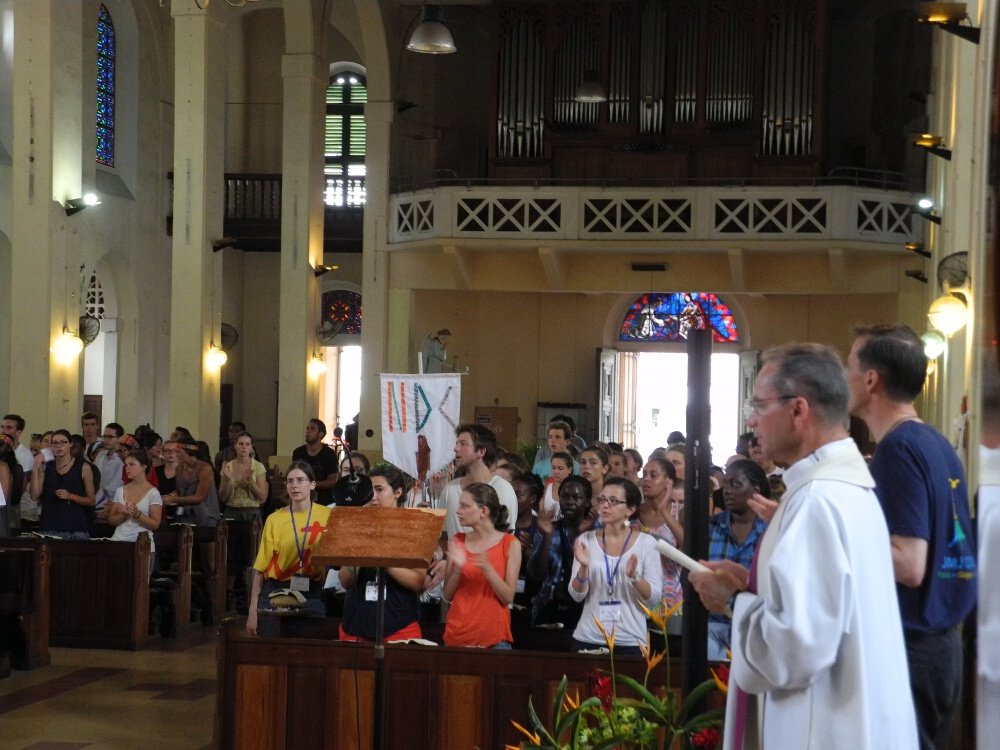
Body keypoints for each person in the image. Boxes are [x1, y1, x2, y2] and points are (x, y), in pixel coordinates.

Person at [689, 342, 916, 749]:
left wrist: (732, 602)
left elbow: (795, 648)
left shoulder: (818, 501)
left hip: (824, 725)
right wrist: (755, 584)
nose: (752, 420)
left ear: (798, 409)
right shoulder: (846, 488)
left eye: (759, 405)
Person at [847, 324, 976, 750]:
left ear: (871, 380)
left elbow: (909, 563)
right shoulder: (936, 444)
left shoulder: (898, 449)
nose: (844, 378)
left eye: (850, 366)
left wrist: (837, 527)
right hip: (941, 647)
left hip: (913, 649)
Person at [339, 464, 433, 642]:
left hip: (398, 625)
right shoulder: (357, 525)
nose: (372, 497)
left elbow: (418, 582)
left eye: (379, 489)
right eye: (369, 490)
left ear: (397, 492)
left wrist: (382, 558)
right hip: (356, 624)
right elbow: (345, 580)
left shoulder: (414, 528)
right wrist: (360, 556)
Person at [568, 477, 662, 655]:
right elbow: (576, 595)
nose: (605, 505)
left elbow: (654, 599)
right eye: (602, 500)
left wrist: (634, 577)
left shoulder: (647, 543)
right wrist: (584, 568)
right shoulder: (585, 540)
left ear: (630, 509)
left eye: (613, 501)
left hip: (631, 640)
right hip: (588, 637)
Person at [247, 461, 331, 638]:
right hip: (277, 590)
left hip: (312, 590)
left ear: (313, 484)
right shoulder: (275, 519)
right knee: (273, 651)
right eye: (290, 481)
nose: (295, 485)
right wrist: (253, 610)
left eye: (301, 480)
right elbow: (260, 569)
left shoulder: (327, 516)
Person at [442, 482, 520, 648]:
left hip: (493, 638)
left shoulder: (510, 543)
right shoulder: (457, 540)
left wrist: (488, 568)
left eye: (465, 506)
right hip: (457, 635)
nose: (458, 511)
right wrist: (457, 567)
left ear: (483, 511)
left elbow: (508, 597)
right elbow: (447, 595)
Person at [705, 459, 768, 661]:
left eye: (735, 484)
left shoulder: (770, 531)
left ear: (755, 489)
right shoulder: (711, 527)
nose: (727, 491)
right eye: (726, 484)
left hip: (755, 626)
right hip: (711, 626)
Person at [527, 475, 596, 628]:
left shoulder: (597, 534)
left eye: (576, 497)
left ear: (587, 502)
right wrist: (547, 536)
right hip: (549, 606)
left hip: (586, 608)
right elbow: (535, 575)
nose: (569, 501)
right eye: (564, 496)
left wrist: (581, 534)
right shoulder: (549, 528)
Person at [442, 423, 517, 538]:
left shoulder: (502, 489)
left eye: (463, 444)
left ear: (481, 451)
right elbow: (444, 536)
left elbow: (505, 539)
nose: (456, 449)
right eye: (457, 444)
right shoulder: (450, 489)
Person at [29, 428, 97, 539]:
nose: (59, 446)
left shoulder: (83, 467)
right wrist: (35, 468)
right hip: (49, 526)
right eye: (55, 443)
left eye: (63, 442)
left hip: (75, 528)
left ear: (70, 444)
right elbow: (34, 495)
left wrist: (70, 496)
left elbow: (91, 500)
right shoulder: (47, 467)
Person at [637, 457, 683, 607]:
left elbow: (687, 548)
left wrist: (664, 512)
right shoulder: (633, 512)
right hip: (637, 590)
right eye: (644, 474)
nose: (646, 479)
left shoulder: (680, 512)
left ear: (668, 482)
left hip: (669, 594)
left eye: (653, 475)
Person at [106, 448, 162, 568]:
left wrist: (138, 515)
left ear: (143, 467)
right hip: (119, 542)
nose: (127, 468)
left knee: (139, 584)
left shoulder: (153, 493)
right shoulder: (121, 490)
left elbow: (155, 524)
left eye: (132, 464)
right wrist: (124, 514)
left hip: (142, 545)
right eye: (126, 465)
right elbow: (111, 520)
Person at [163, 436, 220, 527]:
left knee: (205, 540)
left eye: (178, 452)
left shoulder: (205, 468)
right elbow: (181, 492)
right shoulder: (179, 468)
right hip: (185, 515)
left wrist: (174, 499)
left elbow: (199, 497)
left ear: (188, 452)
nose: (176, 455)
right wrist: (172, 495)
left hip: (205, 515)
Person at [291, 419, 339, 505]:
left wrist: (312, 484)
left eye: (312, 429)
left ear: (321, 434)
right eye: (307, 428)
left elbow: (332, 481)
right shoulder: (298, 453)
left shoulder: (329, 454)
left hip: (324, 500)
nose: (308, 431)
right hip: (302, 499)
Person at [2, 414, 35, 530]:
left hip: (13, 507)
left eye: (9, 428)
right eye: (2, 427)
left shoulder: (24, 455)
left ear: (18, 432)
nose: (4, 431)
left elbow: (19, 489)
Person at [92, 422, 125, 511]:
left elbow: (114, 488)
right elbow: (92, 477)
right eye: (104, 436)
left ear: (120, 438)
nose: (106, 440)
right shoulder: (100, 455)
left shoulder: (123, 459)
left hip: (115, 504)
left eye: (110, 437)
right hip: (97, 502)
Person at [578, 445, 610, 509]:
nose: (586, 466)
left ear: (605, 468)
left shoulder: (612, 497)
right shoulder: (575, 495)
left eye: (593, 462)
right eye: (583, 462)